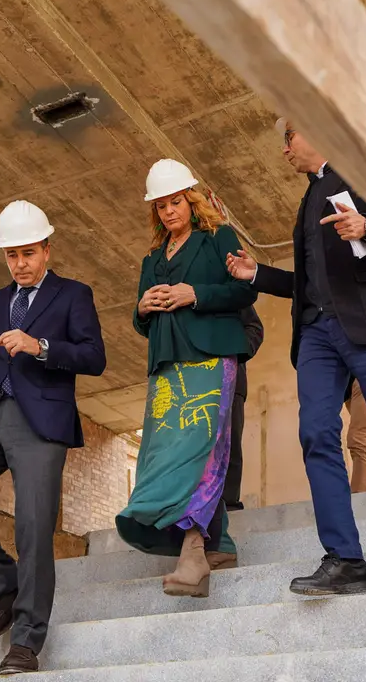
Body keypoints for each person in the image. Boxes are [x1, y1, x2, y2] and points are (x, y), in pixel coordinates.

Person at [226, 120, 366, 594]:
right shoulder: (309, 201)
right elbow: (312, 284)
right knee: (316, 434)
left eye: (290, 137)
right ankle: (346, 562)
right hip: (317, 333)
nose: (284, 150)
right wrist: (258, 275)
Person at [0, 200, 106, 676]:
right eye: (12, 255)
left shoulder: (73, 295)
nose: (20, 264)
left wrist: (40, 346)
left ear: (47, 249)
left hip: (42, 424)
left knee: (32, 528)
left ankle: (26, 642)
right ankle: (6, 584)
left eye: (28, 253)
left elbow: (95, 358)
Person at [116, 159, 257, 598]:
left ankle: (193, 552)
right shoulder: (152, 260)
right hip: (167, 366)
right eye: (160, 206)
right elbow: (144, 325)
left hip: (212, 358)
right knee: (166, 451)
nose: (168, 211)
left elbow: (246, 290)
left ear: (191, 200)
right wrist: (142, 310)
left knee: (201, 448)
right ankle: (224, 544)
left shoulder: (220, 238)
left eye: (174, 201)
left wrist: (194, 294)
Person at [222, 305, 265, 511]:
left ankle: (228, 504)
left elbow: (255, 328)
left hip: (232, 380)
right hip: (195, 381)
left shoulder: (232, 290)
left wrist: (234, 354)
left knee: (230, 445)